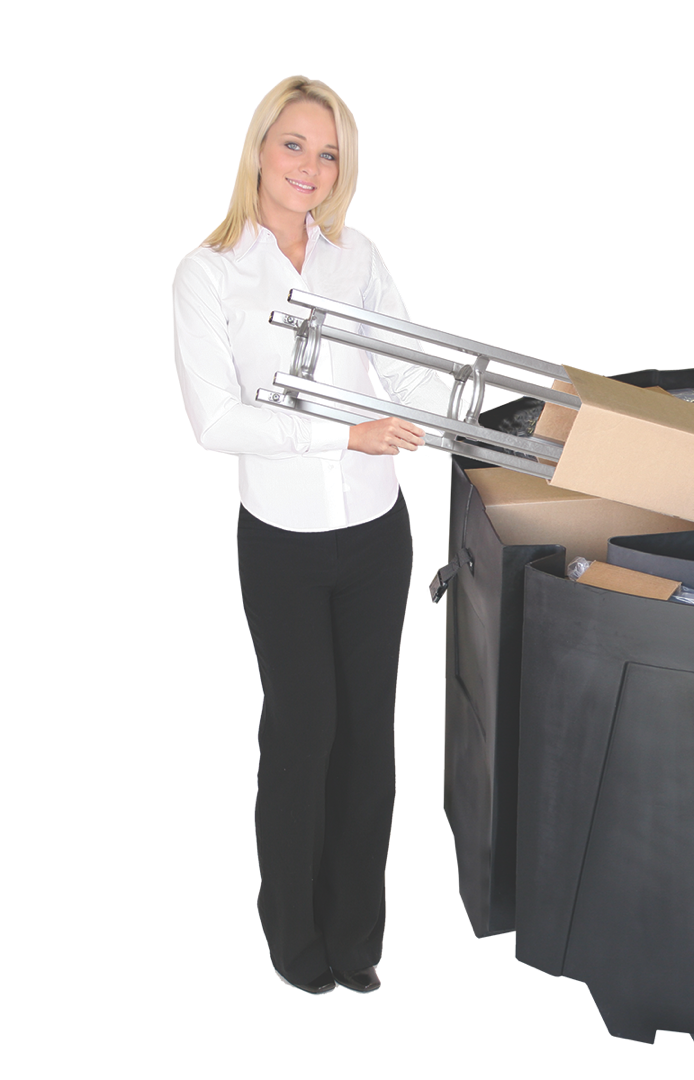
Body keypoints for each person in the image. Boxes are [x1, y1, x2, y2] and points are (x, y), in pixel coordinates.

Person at [172, 75, 450, 995]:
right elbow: (215, 422)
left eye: (328, 153)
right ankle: (293, 939)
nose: (310, 166)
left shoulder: (354, 255)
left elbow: (406, 373)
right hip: (282, 542)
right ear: (258, 148)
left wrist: (489, 426)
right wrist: (344, 434)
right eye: (293, 144)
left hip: (377, 533)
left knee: (370, 735)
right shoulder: (208, 273)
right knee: (304, 730)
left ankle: (357, 940)